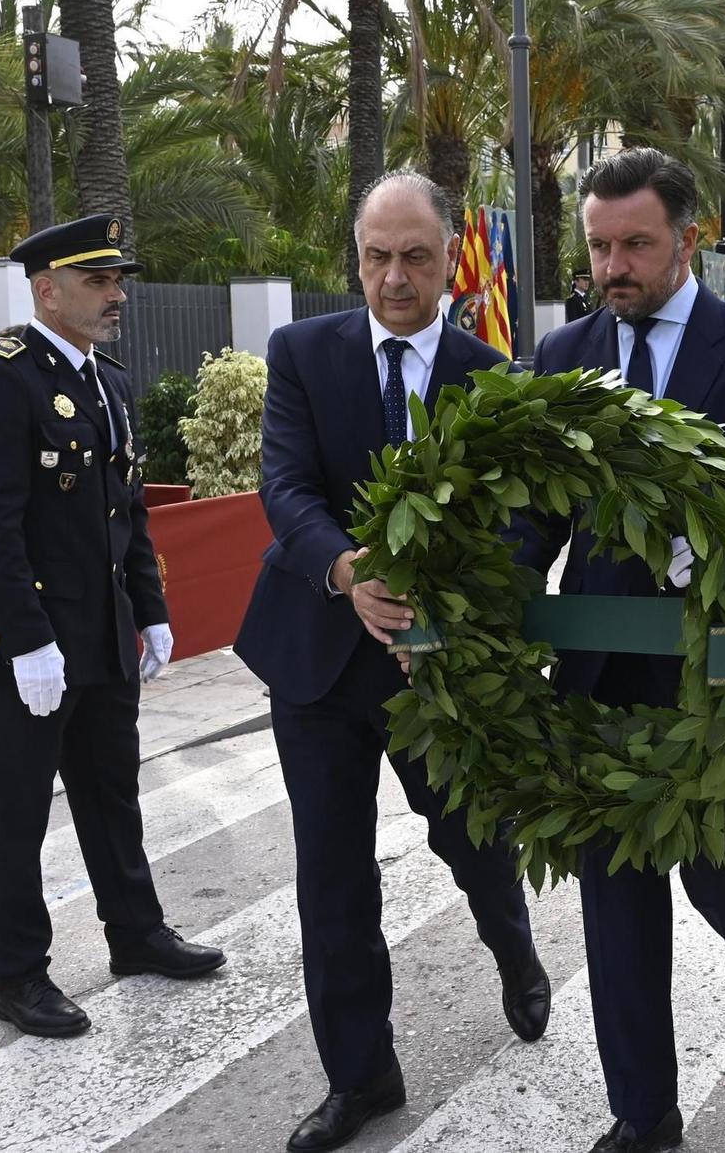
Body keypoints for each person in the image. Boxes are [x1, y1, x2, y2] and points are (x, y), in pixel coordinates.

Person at [232, 171, 549, 1153]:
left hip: (436, 670)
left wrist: (458, 615)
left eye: (414, 256)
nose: (394, 277)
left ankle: (512, 943)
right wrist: (343, 565)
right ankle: (360, 1075)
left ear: (448, 256)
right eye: (377, 256)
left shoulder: (489, 371)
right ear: (355, 257)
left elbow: (526, 519)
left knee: (470, 838)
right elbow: (281, 480)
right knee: (331, 879)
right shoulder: (300, 352)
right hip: (319, 658)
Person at [519, 148, 725, 1153]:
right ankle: (642, 1111)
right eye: (599, 246)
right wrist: (486, 596)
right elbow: (534, 519)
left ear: (686, 239)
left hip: (719, 672)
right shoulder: (561, 360)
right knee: (613, 894)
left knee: (720, 862)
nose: (613, 265)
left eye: (635, 244)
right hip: (597, 666)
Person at [0, 215, 224, 1040]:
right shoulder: (3, 377)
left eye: (118, 281)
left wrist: (151, 608)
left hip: (103, 633)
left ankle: (135, 933)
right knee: (17, 809)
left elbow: (126, 511)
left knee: (112, 792)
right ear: (47, 290)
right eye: (100, 282)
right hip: (33, 643)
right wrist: (26, 640)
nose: (117, 295)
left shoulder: (108, 379)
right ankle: (20, 973)